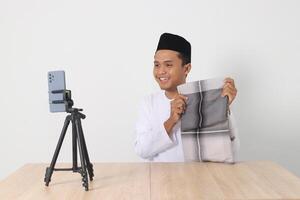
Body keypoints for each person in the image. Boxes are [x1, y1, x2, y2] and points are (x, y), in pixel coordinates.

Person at [134, 33, 239, 162]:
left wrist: (222, 108)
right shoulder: (148, 103)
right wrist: (171, 120)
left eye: (168, 65)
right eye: (157, 65)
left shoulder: (206, 102)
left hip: (197, 179)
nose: (161, 71)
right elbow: (142, 150)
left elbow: (231, 151)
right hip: (159, 180)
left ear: (186, 68)